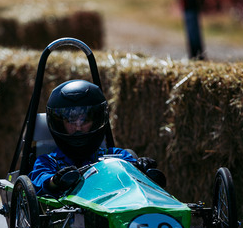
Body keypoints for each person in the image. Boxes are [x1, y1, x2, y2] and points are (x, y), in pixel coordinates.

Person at [28, 79, 160, 196]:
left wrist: (141, 169)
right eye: (71, 121)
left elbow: (131, 171)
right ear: (60, 124)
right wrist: (55, 181)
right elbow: (39, 180)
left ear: (96, 121)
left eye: (84, 121)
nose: (78, 128)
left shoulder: (115, 155)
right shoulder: (49, 161)